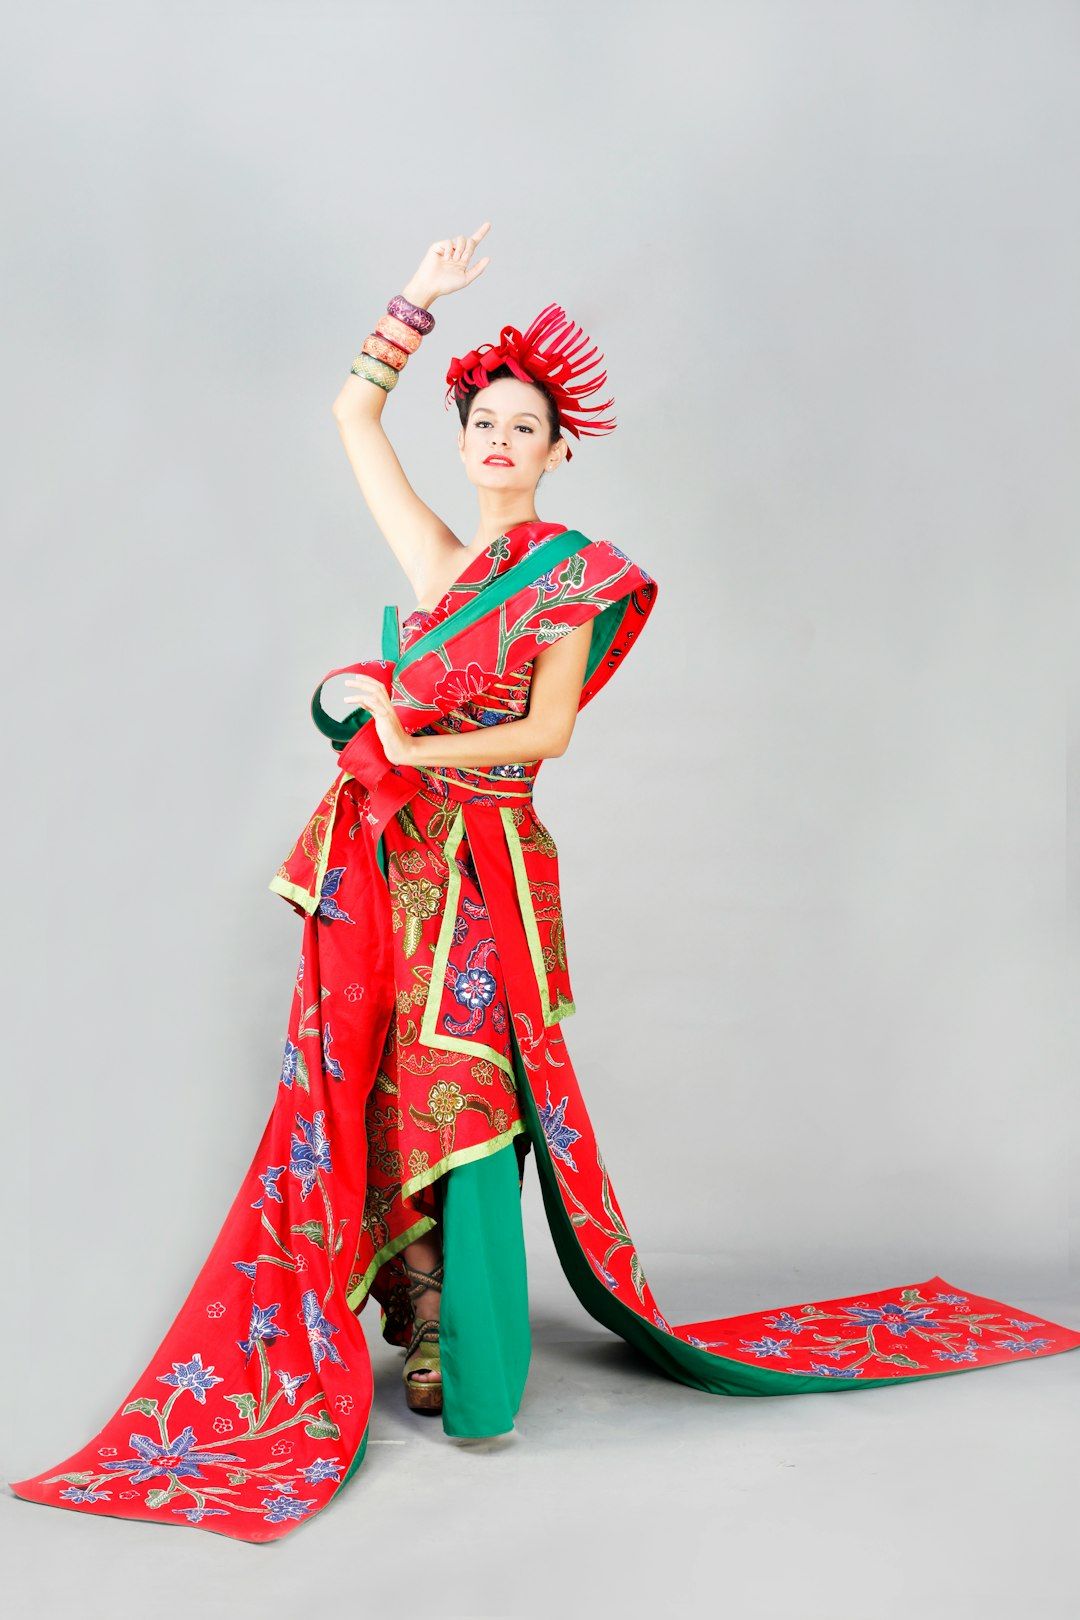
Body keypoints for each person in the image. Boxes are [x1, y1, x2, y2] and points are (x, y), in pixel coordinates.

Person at [10, 223, 1080, 1544]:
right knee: (387, 1079)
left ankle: (475, 1357)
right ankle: (412, 1312)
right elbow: (352, 413)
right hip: (390, 863)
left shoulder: (569, 580)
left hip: (491, 865)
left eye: (527, 427)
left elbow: (551, 734)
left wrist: (411, 737)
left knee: (470, 1080)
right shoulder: (440, 562)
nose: (503, 442)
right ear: (466, 445)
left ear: (561, 452)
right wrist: (416, 299)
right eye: (487, 425)